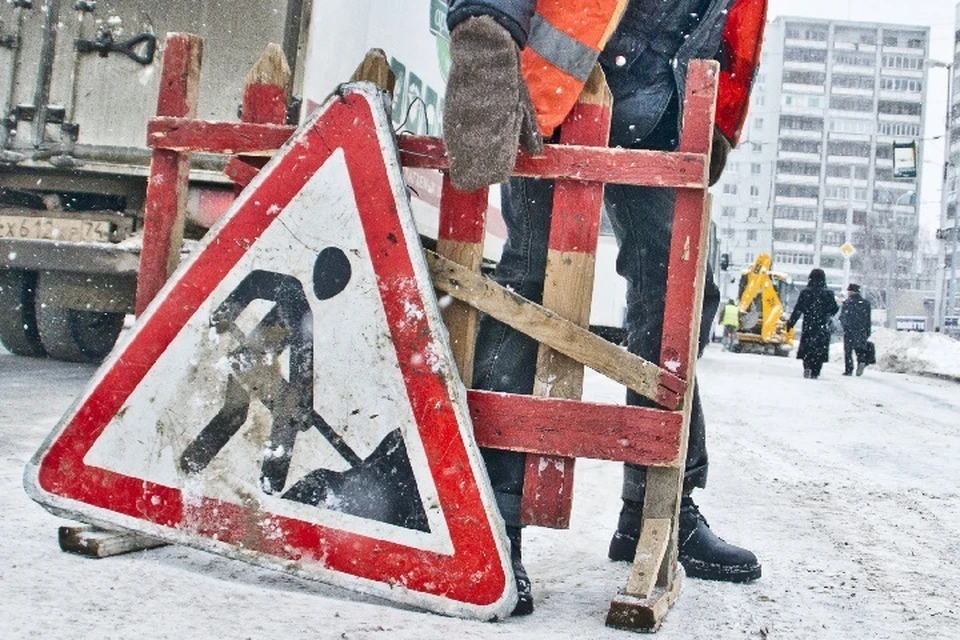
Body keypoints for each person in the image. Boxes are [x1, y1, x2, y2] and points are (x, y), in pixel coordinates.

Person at [443, 0, 768, 615]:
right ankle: (495, 510)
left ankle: (657, 508)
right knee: (529, 288)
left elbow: (735, 24)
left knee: (682, 296)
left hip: (665, 109)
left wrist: (718, 121)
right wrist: (487, 26)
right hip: (561, 99)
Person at [786, 268, 839, 379]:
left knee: (808, 348)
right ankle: (816, 371)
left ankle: (807, 367)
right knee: (819, 349)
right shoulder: (829, 293)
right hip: (822, 326)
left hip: (809, 325)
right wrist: (826, 313)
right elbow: (834, 308)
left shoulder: (805, 292)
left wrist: (790, 323)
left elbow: (798, 309)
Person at [840, 283, 872, 376]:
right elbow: (868, 318)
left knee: (848, 350)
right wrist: (867, 330)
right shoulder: (866, 303)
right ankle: (861, 361)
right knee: (860, 348)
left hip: (849, 329)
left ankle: (849, 369)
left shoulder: (847, 302)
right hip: (861, 329)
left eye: (848, 291)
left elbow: (843, 317)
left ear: (851, 291)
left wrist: (845, 327)